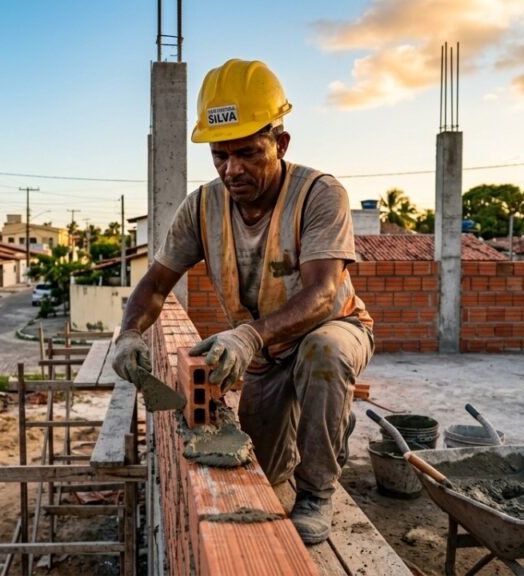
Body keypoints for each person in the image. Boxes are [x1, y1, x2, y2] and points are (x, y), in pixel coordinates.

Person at [111, 59, 374, 545]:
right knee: (263, 477)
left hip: (334, 328)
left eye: (249, 153)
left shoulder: (319, 194)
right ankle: (328, 421)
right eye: (220, 155)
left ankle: (318, 490)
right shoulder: (203, 206)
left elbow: (322, 293)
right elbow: (155, 284)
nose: (233, 169)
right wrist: (129, 334)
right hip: (265, 356)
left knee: (324, 355)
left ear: (282, 142)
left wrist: (247, 335)